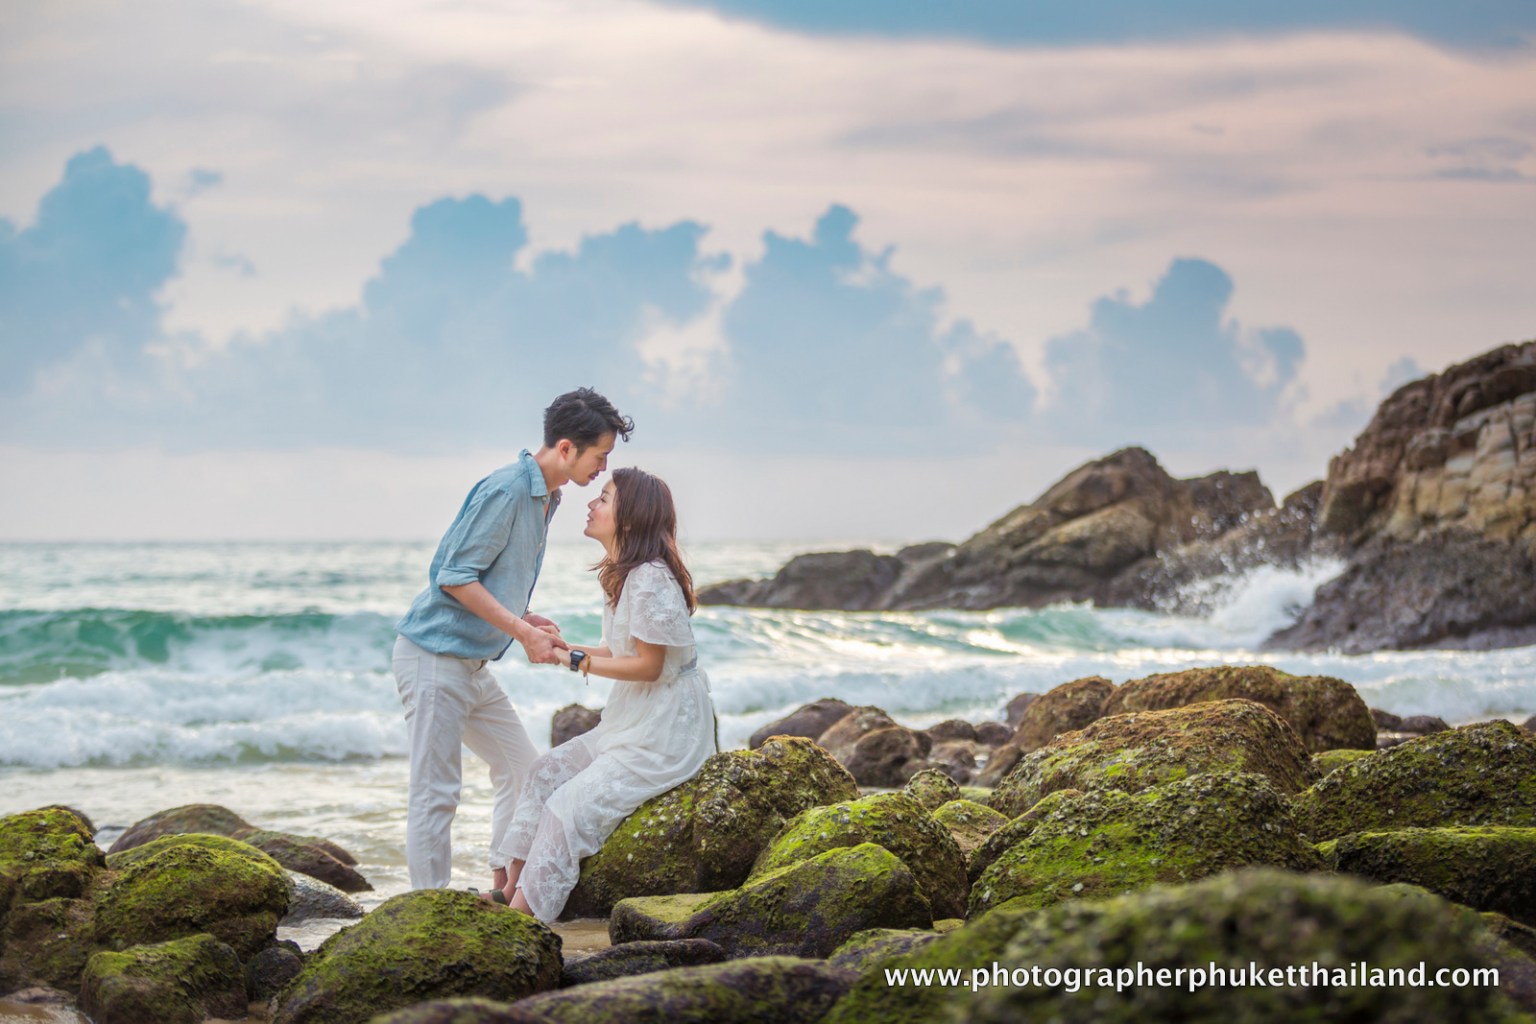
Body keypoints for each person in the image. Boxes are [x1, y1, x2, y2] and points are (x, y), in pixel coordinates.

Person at [392, 388, 633, 893]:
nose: (603, 468)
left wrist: (523, 615)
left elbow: (482, 578)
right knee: (436, 793)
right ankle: (426, 910)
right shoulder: (507, 489)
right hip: (434, 656)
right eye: (600, 456)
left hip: (473, 665)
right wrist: (521, 631)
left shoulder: (549, 496)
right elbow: (453, 577)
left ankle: (503, 891)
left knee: (524, 770)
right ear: (567, 448)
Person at [486, 467, 716, 919]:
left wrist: (577, 662)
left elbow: (650, 668)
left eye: (605, 499)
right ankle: (506, 891)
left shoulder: (649, 578)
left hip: (664, 731)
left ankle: (524, 915)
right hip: (634, 717)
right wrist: (567, 648)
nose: (591, 504)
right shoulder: (623, 574)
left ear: (629, 518)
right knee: (545, 772)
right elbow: (621, 649)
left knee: (566, 809)